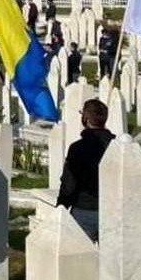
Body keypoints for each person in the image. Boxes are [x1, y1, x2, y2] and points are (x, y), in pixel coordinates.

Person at [57, 99, 114, 242]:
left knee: (81, 261)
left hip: (84, 210)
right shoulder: (116, 147)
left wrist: (61, 206)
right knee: (109, 262)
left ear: (86, 119)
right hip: (112, 211)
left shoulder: (77, 148)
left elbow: (69, 183)